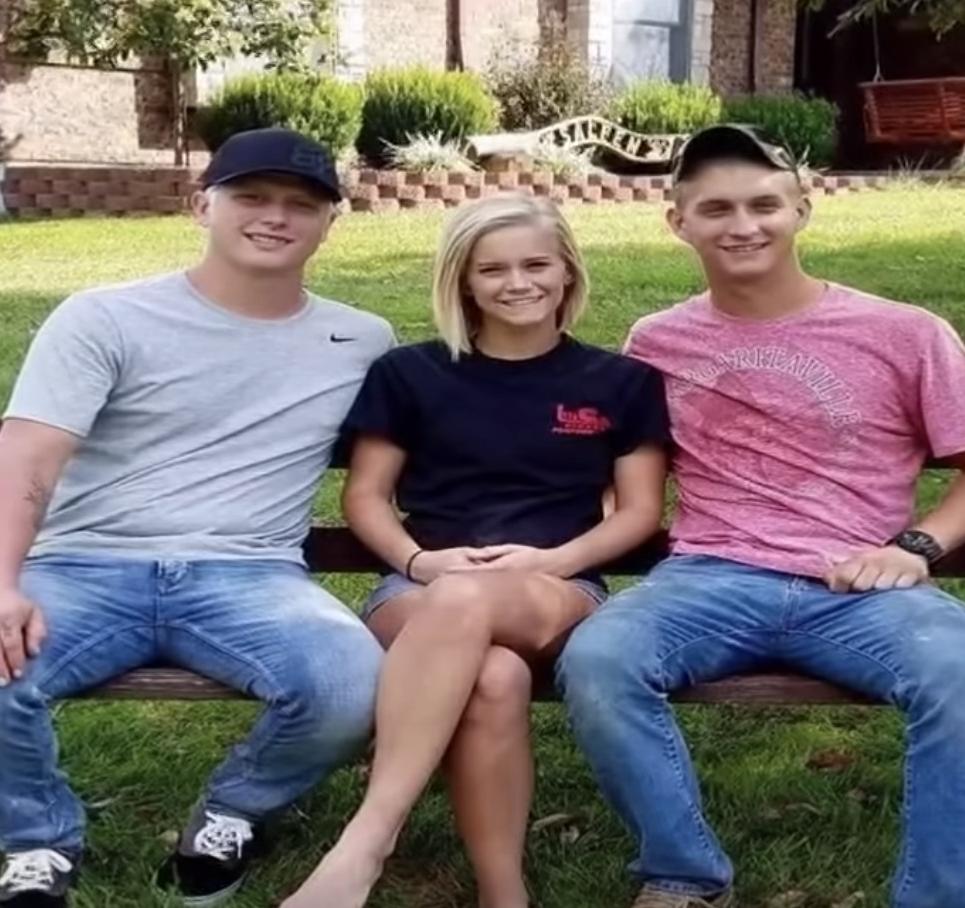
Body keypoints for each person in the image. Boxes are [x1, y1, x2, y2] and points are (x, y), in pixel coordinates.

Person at [0, 127, 396, 908]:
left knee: (349, 680)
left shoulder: (361, 339)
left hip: (252, 575)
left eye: (301, 204)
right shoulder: (105, 317)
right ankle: (37, 841)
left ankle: (234, 811)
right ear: (202, 205)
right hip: (82, 568)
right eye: (250, 197)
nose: (275, 217)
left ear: (329, 223)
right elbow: (24, 459)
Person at [555, 124, 965, 908]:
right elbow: (624, 469)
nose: (742, 225)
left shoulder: (905, 333)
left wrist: (917, 546)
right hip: (708, 579)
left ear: (802, 209)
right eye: (716, 209)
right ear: (678, 222)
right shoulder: (657, 341)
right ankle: (684, 874)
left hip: (862, 586)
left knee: (961, 673)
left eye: (763, 205)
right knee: (601, 658)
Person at [279, 192, 672, 908]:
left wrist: (547, 561)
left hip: (556, 589)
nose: (517, 283)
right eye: (492, 269)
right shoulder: (409, 374)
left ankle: (366, 841)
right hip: (419, 589)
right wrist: (419, 562)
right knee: (495, 677)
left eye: (536, 265)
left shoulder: (620, 382)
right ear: (463, 280)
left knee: (468, 602)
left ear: (567, 270)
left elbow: (641, 512)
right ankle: (503, 894)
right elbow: (366, 496)